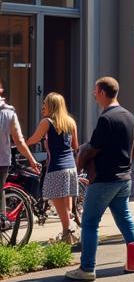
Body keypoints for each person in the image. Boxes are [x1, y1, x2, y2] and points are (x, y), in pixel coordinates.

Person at [66, 77, 134, 282]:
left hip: (104, 178)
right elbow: (130, 146)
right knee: (125, 219)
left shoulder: (106, 119)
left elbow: (95, 147)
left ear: (101, 92)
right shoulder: (129, 116)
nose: (93, 94)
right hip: (124, 177)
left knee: (89, 223)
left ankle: (87, 268)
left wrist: (81, 156)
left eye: (95, 90)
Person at [24, 92, 80, 245]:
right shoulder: (70, 122)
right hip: (71, 168)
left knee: (59, 206)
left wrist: (21, 144)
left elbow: (34, 139)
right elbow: (75, 146)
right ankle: (69, 235)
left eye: (45, 104)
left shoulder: (47, 122)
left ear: (52, 106)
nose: (42, 107)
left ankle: (67, 235)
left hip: (56, 168)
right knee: (67, 208)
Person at [0, 80, 41, 231]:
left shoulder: (8, 112)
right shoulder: (8, 113)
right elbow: (19, 141)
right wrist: (32, 160)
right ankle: (2, 218)